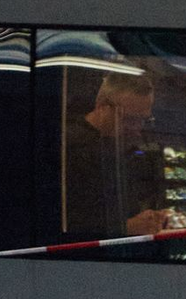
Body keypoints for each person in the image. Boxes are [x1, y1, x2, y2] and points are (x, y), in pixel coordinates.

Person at [63, 70, 168, 240]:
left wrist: (151, 217)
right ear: (103, 107)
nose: (137, 128)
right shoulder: (66, 147)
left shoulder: (122, 145)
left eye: (144, 120)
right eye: (130, 119)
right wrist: (123, 227)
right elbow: (60, 221)